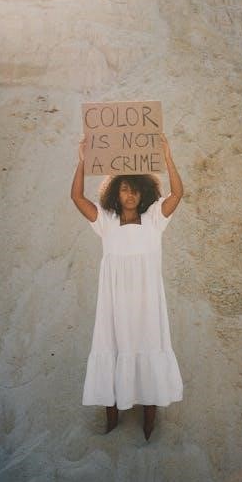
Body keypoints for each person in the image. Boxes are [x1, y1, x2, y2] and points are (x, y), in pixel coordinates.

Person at [70, 132, 184, 440]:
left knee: (149, 346)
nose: (130, 195)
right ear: (115, 193)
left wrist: (168, 158)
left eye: (134, 189)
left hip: (147, 302)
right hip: (114, 302)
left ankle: (149, 422)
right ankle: (112, 421)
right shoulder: (106, 220)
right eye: (123, 189)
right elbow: (77, 198)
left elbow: (177, 194)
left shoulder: (154, 218)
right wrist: (81, 162)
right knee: (112, 347)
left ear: (143, 191)